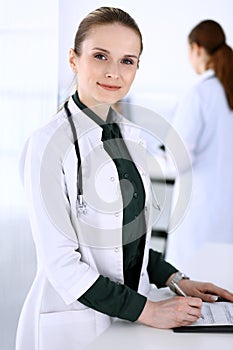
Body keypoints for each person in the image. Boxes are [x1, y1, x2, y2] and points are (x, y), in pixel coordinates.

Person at [16, 9, 233, 350]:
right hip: (76, 325)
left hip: (129, 320)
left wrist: (175, 279)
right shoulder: (47, 145)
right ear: (74, 60)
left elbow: (130, 241)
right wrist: (149, 311)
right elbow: (61, 266)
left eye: (127, 60)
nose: (114, 72)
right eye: (100, 56)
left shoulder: (131, 137)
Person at [165, 20, 233, 268]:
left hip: (199, 214)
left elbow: (178, 161)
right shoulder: (226, 92)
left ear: (196, 48)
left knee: (192, 289)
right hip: (227, 214)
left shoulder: (199, 94)